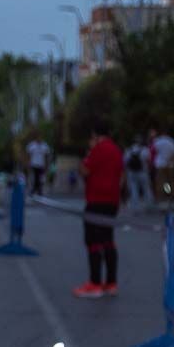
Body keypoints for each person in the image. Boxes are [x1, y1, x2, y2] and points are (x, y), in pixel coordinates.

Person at [74, 121, 123, 298]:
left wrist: (86, 157)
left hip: (96, 200)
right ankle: (111, 282)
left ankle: (94, 283)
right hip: (112, 201)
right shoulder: (116, 150)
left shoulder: (98, 150)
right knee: (108, 240)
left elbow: (85, 170)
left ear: (95, 136)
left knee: (93, 240)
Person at [150, 128, 174, 203]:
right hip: (170, 165)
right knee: (170, 182)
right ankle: (171, 195)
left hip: (160, 165)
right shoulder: (171, 141)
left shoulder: (157, 141)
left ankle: (161, 197)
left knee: (161, 182)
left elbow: (152, 152)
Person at [124, 137, 151, 213]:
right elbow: (149, 160)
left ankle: (135, 207)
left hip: (132, 172)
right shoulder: (145, 150)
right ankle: (149, 206)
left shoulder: (129, 150)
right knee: (146, 188)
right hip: (143, 172)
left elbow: (125, 162)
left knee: (133, 189)